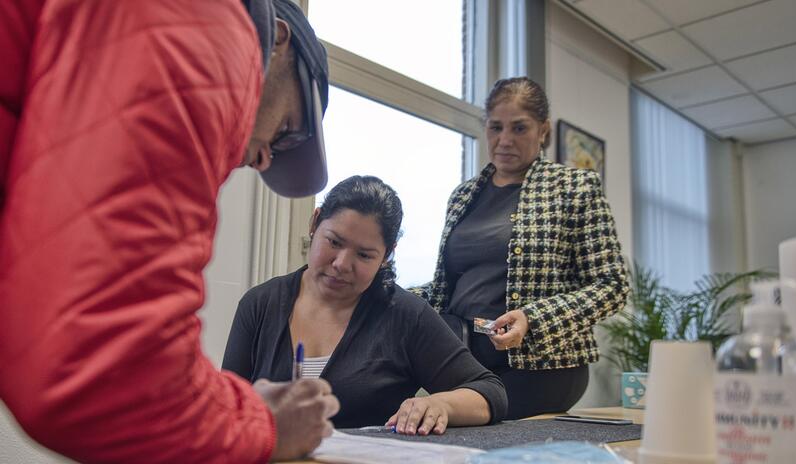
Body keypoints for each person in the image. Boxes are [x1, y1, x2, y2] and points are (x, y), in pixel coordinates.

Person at [0, 0, 336, 462]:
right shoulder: (206, 21)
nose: (261, 162)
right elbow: (104, 374)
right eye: (287, 131)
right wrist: (265, 426)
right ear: (276, 39)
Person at [411, 77, 629, 420]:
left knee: (487, 435)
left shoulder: (575, 188)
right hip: (465, 357)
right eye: (496, 127)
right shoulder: (462, 197)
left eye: (519, 128)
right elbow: (444, 289)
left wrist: (533, 319)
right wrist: (391, 295)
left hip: (542, 366)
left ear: (543, 131)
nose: (505, 140)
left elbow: (612, 286)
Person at [222, 175, 508, 433]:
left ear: (386, 255)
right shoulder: (260, 304)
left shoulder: (406, 316)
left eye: (365, 255)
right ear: (314, 222)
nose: (342, 264)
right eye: (334, 242)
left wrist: (441, 405)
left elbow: (490, 392)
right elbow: (225, 409)